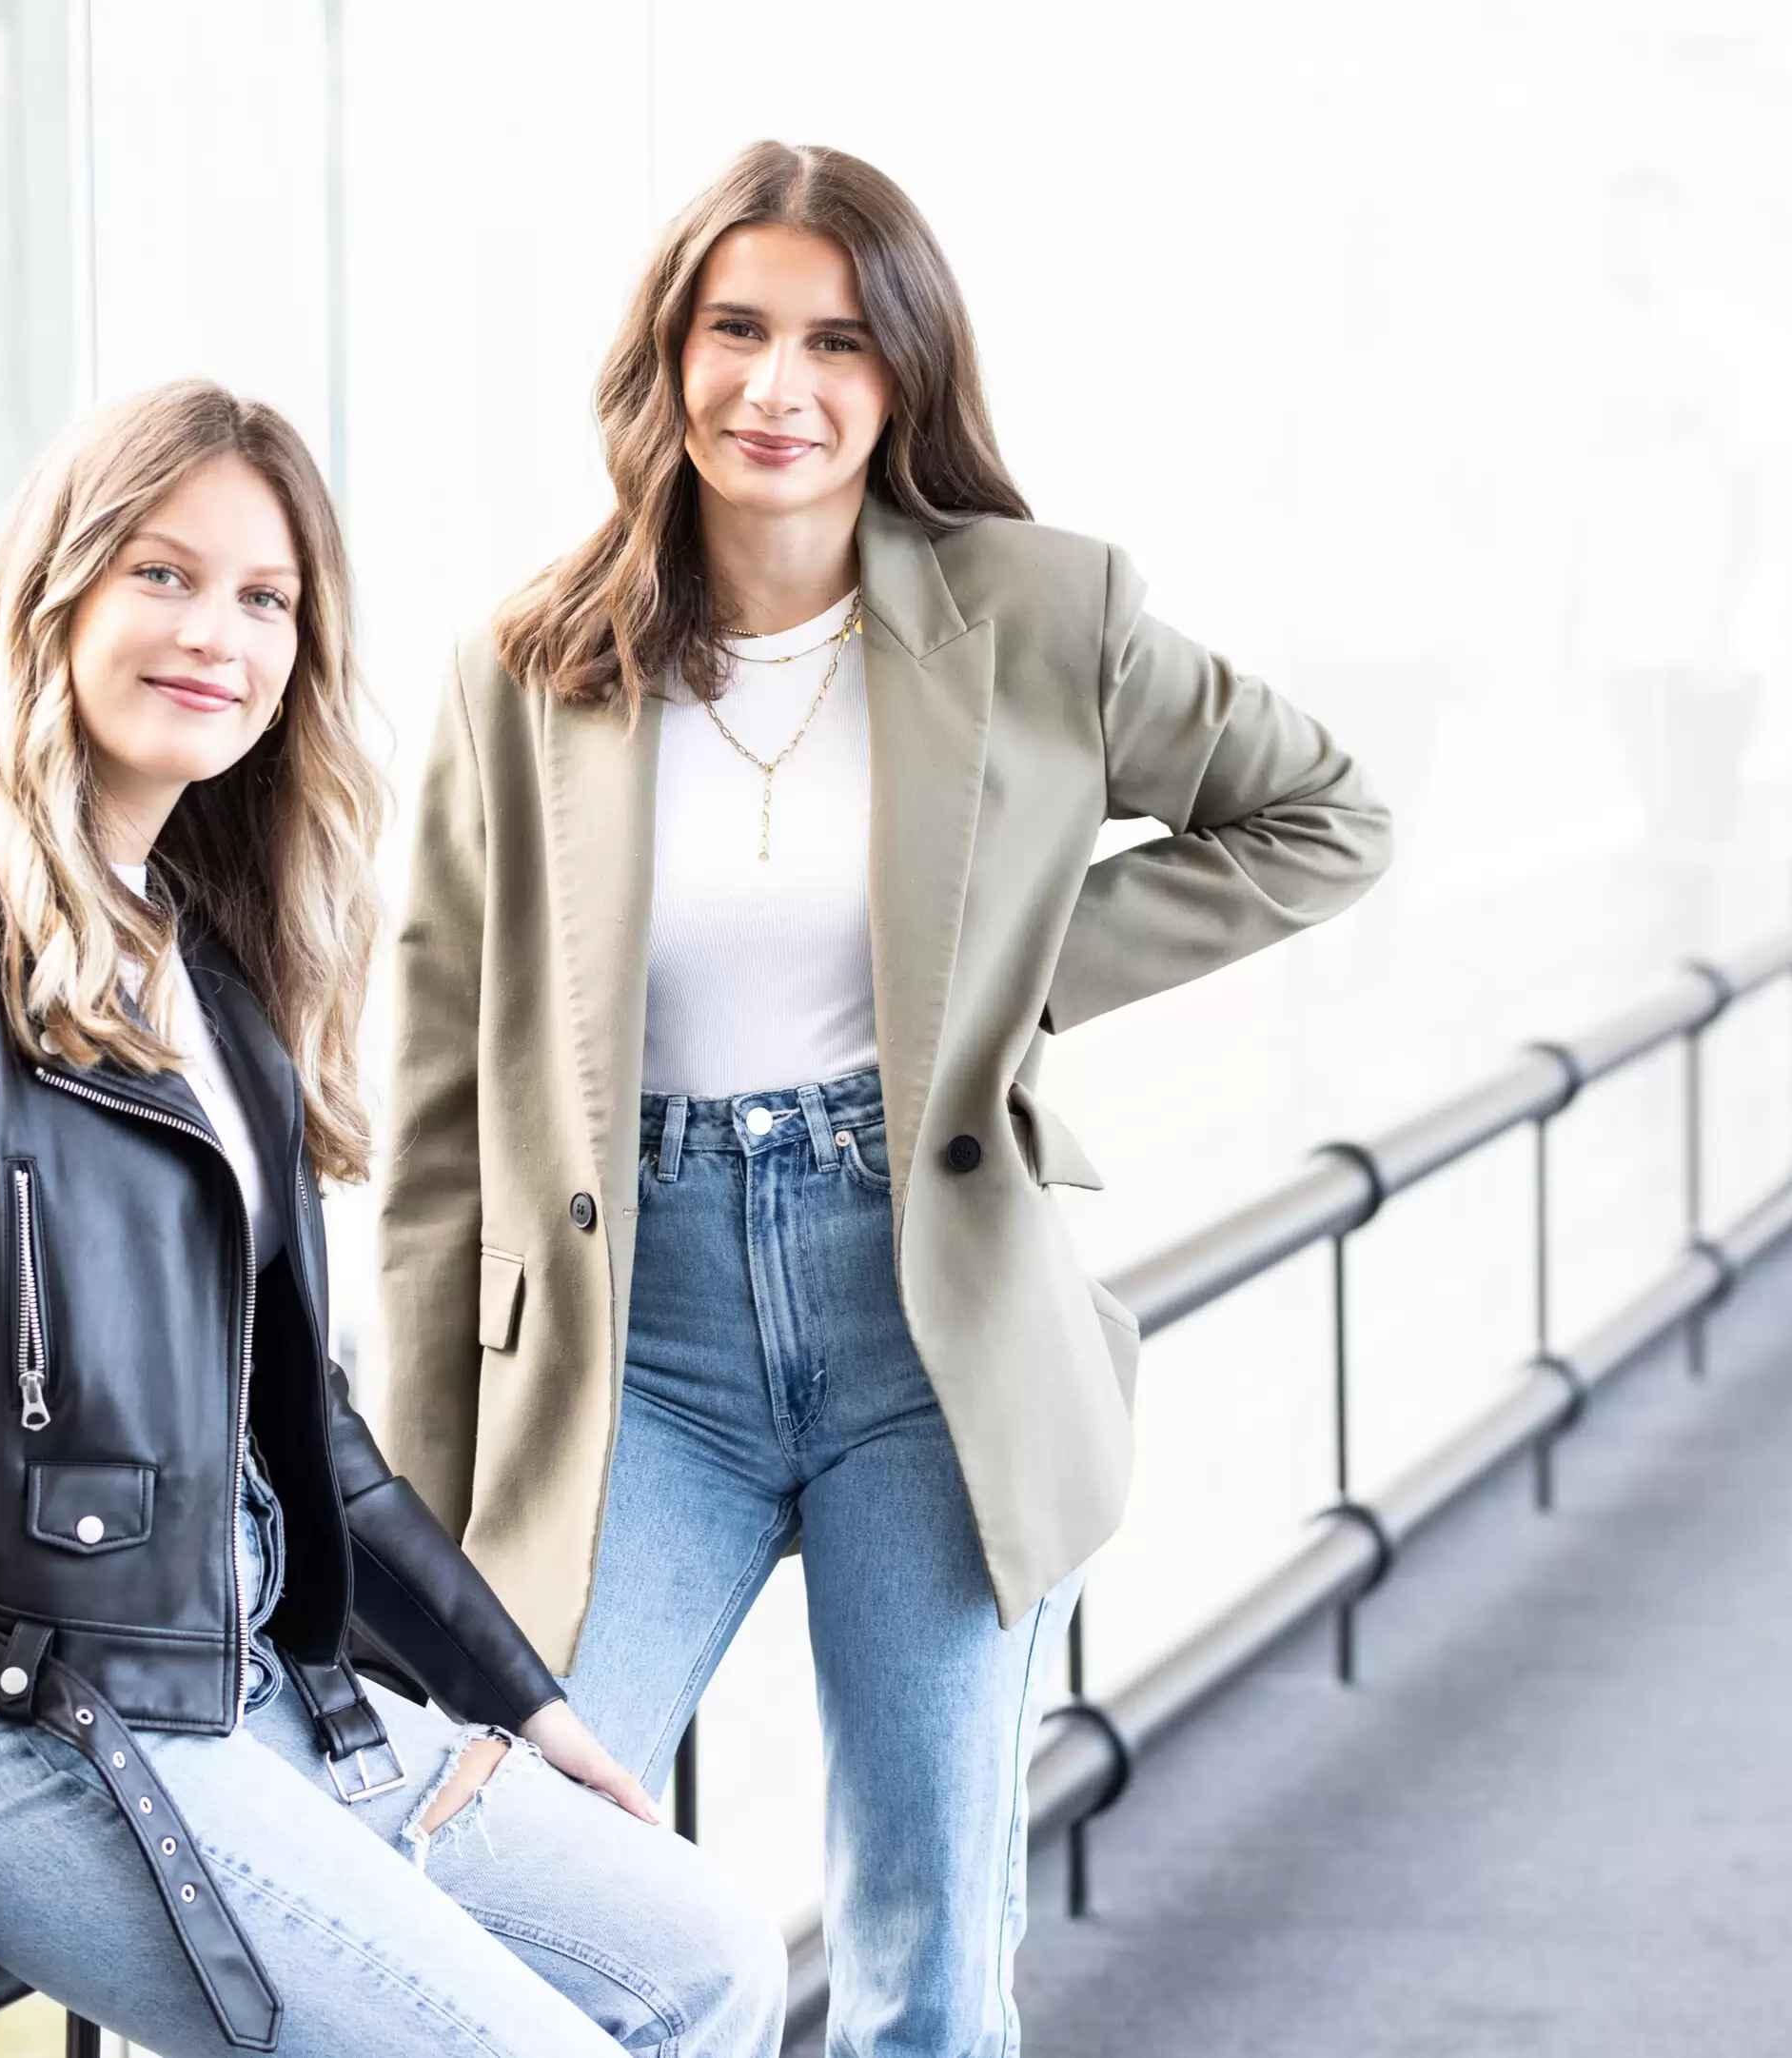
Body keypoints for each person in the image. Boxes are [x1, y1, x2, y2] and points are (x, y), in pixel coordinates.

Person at [377, 143, 1394, 2058]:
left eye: (838, 340)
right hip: (631, 1348)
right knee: (503, 1865)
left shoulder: (1041, 612)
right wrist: (412, 1513)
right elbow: (442, 1107)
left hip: (925, 1327)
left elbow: (1324, 816)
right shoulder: (527, 670)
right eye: (737, 328)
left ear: (904, 371)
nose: (780, 384)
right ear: (668, 356)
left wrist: (1015, 985)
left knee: (921, 1952)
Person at [0, 379, 786, 2058]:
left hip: (261, 1679)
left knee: (712, 1954)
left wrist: (515, 1693)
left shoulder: (210, 964)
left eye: (267, 597)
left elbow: (307, 1427)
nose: (220, 633)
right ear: (55, 596)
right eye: (164, 573)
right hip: (25, 1721)